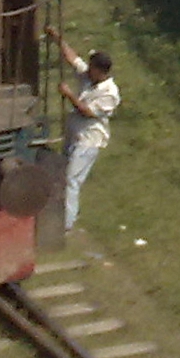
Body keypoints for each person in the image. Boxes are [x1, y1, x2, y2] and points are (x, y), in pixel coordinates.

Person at [43, 28, 121, 232]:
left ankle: (66, 224)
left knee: (71, 180)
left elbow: (88, 112)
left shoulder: (110, 94)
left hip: (89, 140)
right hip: (74, 135)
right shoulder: (89, 78)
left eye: (92, 68)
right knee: (63, 176)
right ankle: (64, 214)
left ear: (101, 71)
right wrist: (57, 39)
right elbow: (72, 58)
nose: (88, 71)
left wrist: (69, 94)